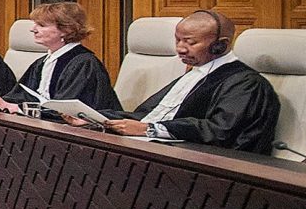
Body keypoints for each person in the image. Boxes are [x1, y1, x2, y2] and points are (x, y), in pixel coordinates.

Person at [106, 11, 281, 153]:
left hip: (211, 166)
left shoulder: (246, 83)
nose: (180, 48)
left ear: (220, 45)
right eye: (178, 40)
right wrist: (100, 119)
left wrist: (149, 129)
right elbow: (150, 116)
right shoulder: (196, 73)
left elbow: (220, 132)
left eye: (190, 42)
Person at [0, 1, 121, 116]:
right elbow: (22, 95)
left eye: (41, 25)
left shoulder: (84, 64)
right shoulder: (43, 62)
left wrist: (19, 108)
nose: (33, 29)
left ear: (66, 30)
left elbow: (68, 111)